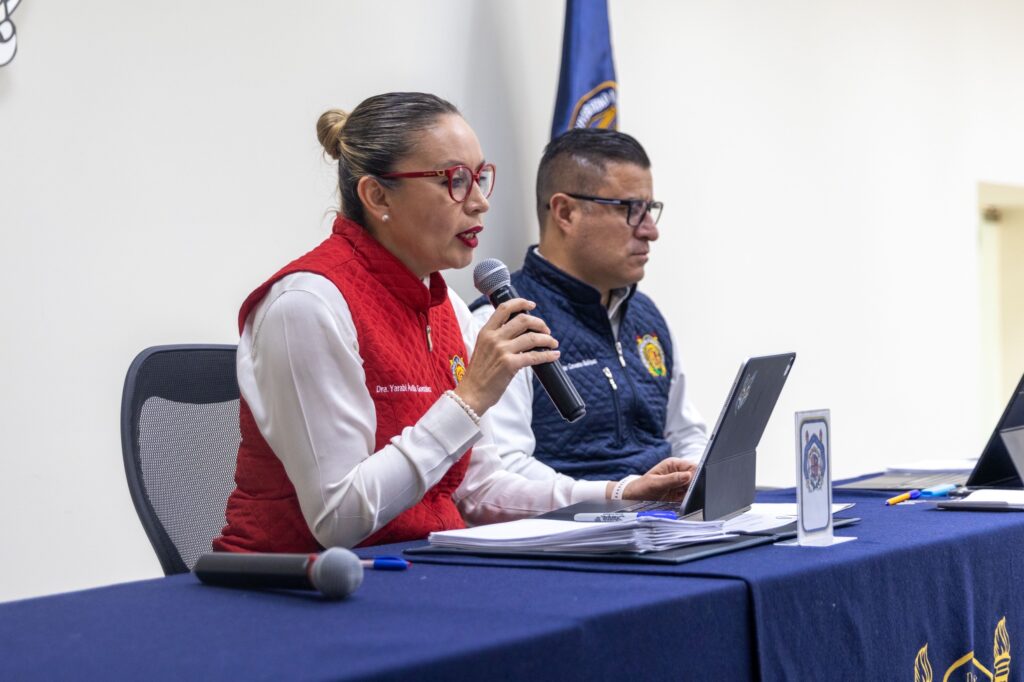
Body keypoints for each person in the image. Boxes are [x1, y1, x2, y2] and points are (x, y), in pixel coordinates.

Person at [213, 93, 696, 553]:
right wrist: (470, 399)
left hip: (424, 566)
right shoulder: (306, 305)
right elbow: (340, 518)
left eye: (481, 177)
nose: (480, 202)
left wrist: (620, 494)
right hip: (300, 583)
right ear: (377, 195)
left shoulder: (446, 309)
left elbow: (480, 491)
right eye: (455, 180)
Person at [472, 129, 707, 483]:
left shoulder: (646, 315)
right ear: (565, 213)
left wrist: (695, 480)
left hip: (664, 514)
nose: (650, 231)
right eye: (631, 209)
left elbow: (686, 433)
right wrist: (621, 494)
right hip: (576, 517)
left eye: (650, 210)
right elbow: (506, 469)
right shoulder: (502, 324)